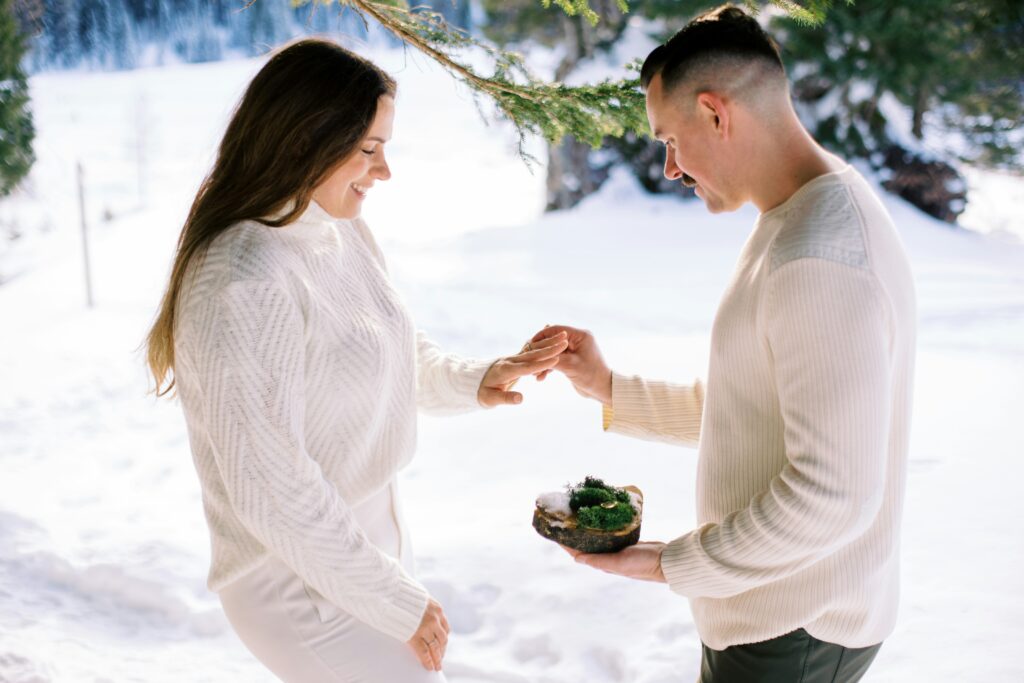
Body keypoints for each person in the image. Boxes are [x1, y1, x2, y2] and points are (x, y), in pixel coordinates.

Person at [144, 39, 567, 682]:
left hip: (362, 546)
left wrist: (477, 378)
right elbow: (271, 486)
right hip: (296, 579)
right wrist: (396, 601)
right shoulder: (244, 277)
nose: (384, 171)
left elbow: (379, 348)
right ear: (303, 139)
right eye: (369, 148)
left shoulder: (334, 227)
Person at [531, 6, 916, 682]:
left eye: (670, 139)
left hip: (791, 627)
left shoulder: (818, 257)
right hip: (778, 614)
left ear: (716, 113)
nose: (671, 167)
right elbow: (754, 409)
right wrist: (609, 388)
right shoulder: (803, 214)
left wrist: (670, 563)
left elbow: (833, 495)